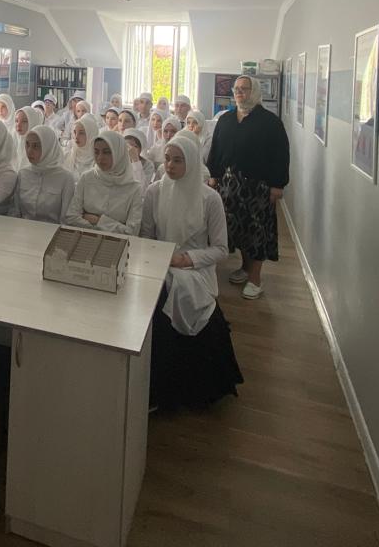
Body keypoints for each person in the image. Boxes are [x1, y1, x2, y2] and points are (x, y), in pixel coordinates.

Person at [140, 136, 243, 410]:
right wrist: (160, 259)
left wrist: (186, 259)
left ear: (193, 163)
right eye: (167, 159)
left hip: (195, 268)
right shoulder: (154, 192)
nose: (170, 166)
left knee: (183, 296)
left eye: (178, 160)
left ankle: (184, 390)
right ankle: (154, 388)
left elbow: (221, 249)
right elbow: (147, 237)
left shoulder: (210, 199)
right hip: (161, 263)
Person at [206, 74, 289, 300]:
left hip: (258, 187)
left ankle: (255, 279)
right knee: (237, 230)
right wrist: (213, 176)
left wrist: (277, 185)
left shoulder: (270, 122)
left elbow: (280, 155)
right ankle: (245, 267)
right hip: (229, 186)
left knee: (256, 232)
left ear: (255, 92)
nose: (239, 92)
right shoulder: (226, 119)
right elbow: (216, 149)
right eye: (236, 89)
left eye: (244, 88)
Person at [65, 129, 143, 235]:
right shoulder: (87, 178)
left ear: (119, 153)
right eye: (96, 152)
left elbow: (132, 232)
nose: (100, 158)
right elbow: (71, 217)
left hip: (116, 244)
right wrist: (111, 227)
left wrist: (98, 221)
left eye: (107, 152)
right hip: (84, 239)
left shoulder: (134, 188)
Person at [10, 126, 77, 224]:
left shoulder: (65, 178)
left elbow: (65, 219)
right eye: (27, 144)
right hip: (23, 229)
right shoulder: (23, 174)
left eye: (36, 146)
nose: (29, 151)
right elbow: (15, 211)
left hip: (52, 231)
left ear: (48, 148)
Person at [12, 105, 45, 169]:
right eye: (16, 121)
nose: (18, 125)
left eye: (24, 121)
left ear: (33, 122)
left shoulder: (42, 147)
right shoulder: (12, 141)